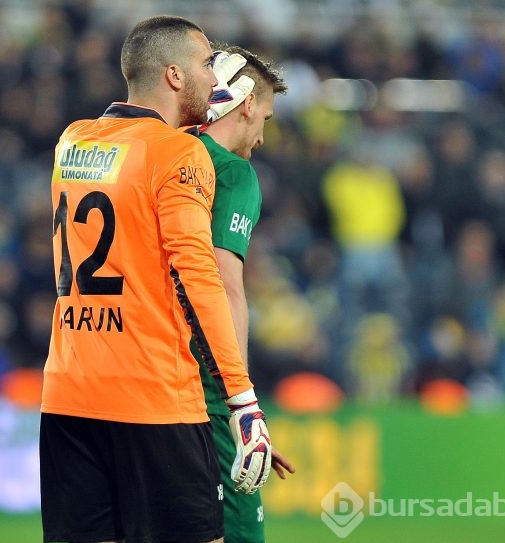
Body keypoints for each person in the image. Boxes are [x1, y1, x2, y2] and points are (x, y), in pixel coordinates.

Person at [39, 16, 273, 543]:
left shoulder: (72, 141)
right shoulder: (179, 153)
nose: (216, 80)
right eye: (207, 65)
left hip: (69, 396)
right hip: (155, 399)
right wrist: (242, 400)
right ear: (174, 75)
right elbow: (202, 279)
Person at [193, 45, 293, 543]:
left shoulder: (167, 151)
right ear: (248, 103)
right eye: (266, 119)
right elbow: (224, 285)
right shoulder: (233, 172)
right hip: (205, 386)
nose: (261, 137)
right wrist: (242, 404)